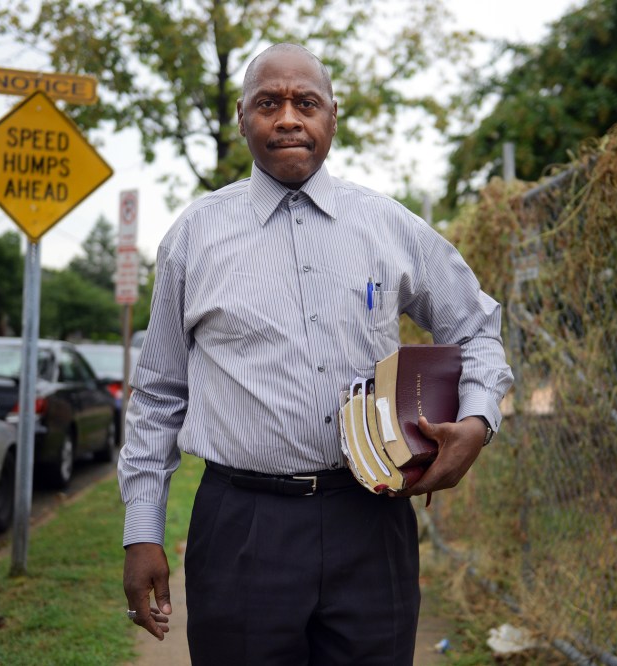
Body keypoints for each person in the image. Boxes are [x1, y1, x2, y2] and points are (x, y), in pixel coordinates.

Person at [119, 42, 514, 665]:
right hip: (240, 525)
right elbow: (161, 396)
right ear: (242, 117)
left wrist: (477, 419)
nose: (287, 118)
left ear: (333, 115)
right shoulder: (194, 237)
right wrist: (142, 531)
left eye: (306, 102)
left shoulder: (390, 227)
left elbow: (477, 327)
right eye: (267, 103)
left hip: (371, 516)